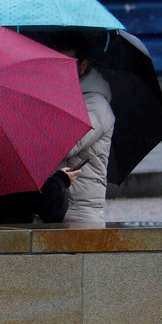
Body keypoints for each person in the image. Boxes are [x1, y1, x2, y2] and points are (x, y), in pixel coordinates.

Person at [61, 56, 115, 225]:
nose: (60, 69)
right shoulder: (64, 97)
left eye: (66, 63)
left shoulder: (96, 105)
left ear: (83, 65)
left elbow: (65, 145)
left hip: (79, 213)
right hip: (56, 207)